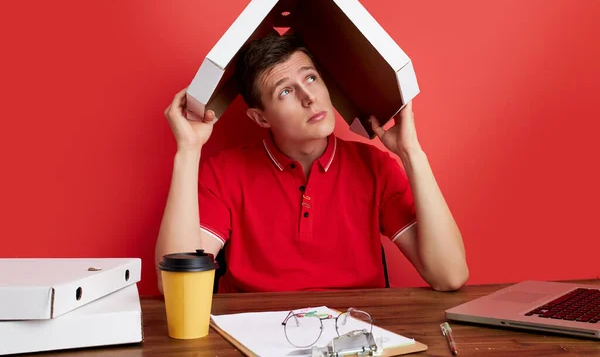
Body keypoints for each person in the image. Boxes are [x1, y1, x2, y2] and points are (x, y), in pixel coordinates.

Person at [155, 34, 469, 293]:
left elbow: (450, 275)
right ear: (261, 117)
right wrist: (188, 150)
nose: (309, 97)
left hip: (356, 336)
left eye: (311, 78)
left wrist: (411, 152)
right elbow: (177, 289)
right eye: (286, 91)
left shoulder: (375, 167)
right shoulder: (223, 174)